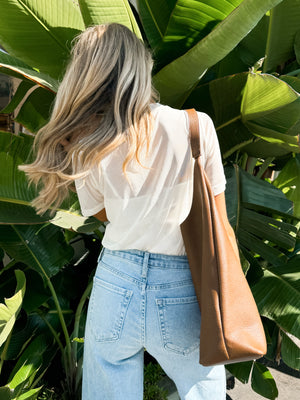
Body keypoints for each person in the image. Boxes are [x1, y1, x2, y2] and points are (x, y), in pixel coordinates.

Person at [20, 23, 231, 400]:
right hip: (180, 282)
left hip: (116, 279)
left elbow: (103, 215)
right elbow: (217, 219)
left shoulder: (85, 142)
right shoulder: (195, 127)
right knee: (203, 389)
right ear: (140, 67)